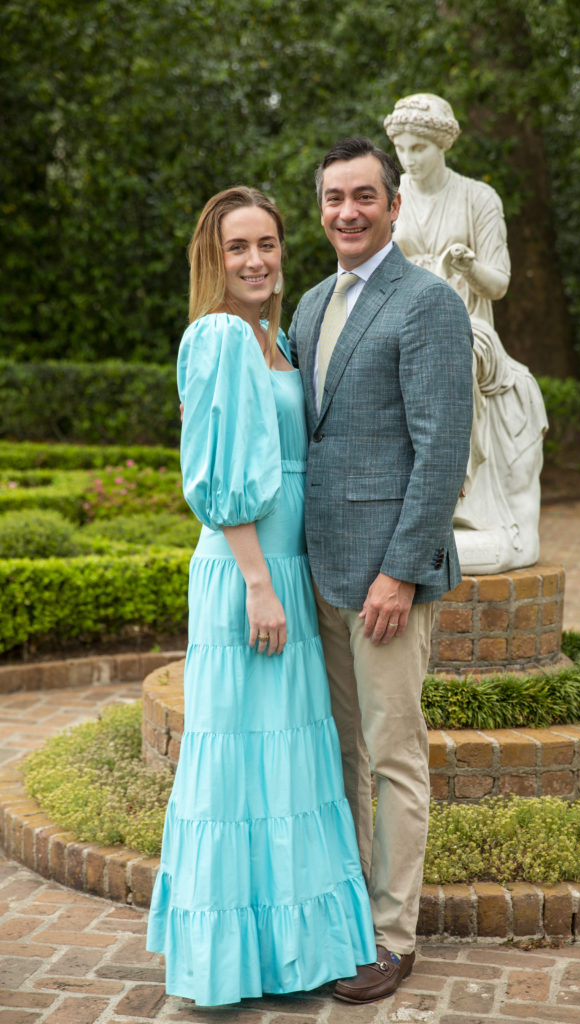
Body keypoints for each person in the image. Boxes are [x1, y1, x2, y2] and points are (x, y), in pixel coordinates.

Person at [146, 186, 376, 1006]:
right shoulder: (218, 336)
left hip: (285, 569)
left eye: (267, 244)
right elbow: (215, 478)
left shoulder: (273, 338)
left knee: (284, 764)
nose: (255, 260)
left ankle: (287, 952)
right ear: (214, 259)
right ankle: (227, 962)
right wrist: (256, 584)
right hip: (248, 571)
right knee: (240, 763)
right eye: (237, 246)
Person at [288, 137, 472, 1003]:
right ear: (320, 209)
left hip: (384, 581)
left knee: (393, 754)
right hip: (319, 572)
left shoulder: (427, 302)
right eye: (334, 198)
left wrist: (400, 573)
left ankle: (392, 938)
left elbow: (442, 451)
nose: (347, 211)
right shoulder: (309, 304)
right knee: (339, 755)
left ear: (394, 206)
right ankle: (344, 918)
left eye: (364, 195)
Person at [384, 93, 548, 575]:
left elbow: (498, 284)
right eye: (401, 148)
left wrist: (469, 267)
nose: (409, 159)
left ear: (442, 145)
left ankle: (457, 493)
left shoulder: (478, 198)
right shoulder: (391, 198)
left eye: (419, 148)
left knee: (452, 352)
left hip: (468, 327)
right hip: (401, 322)